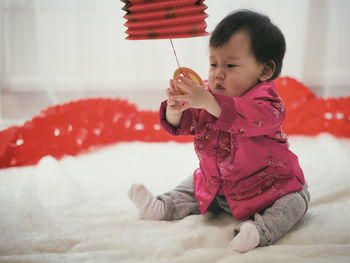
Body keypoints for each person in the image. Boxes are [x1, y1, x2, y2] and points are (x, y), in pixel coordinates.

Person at [128, 9, 310, 253]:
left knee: (295, 203)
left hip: (270, 186)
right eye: (213, 63)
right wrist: (176, 109)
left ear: (265, 71)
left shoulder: (269, 104)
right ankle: (163, 206)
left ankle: (259, 230)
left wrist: (207, 102)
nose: (218, 73)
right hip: (216, 183)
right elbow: (185, 123)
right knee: (192, 184)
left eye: (231, 65)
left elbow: (246, 116)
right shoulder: (208, 95)